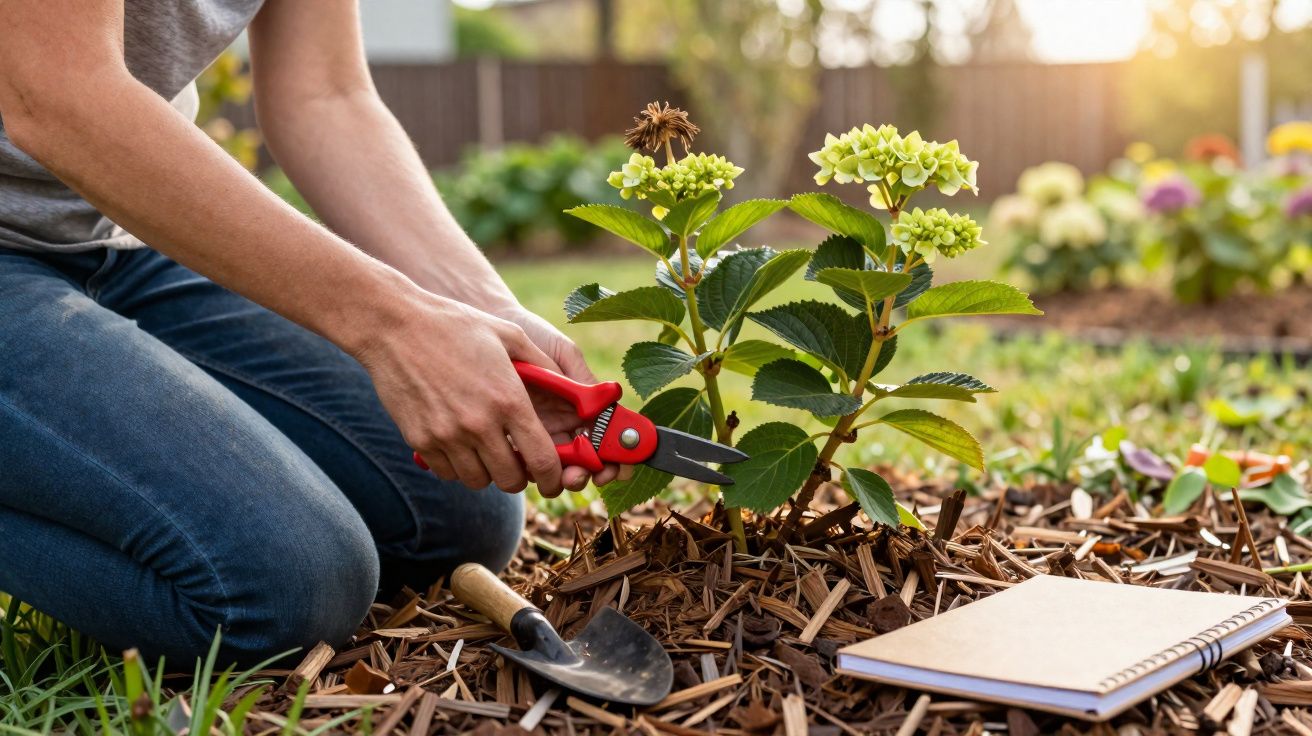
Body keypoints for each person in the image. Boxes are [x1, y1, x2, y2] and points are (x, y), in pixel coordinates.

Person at [0, 0, 619, 665]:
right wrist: (395, 327)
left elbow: (325, 95)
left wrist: (484, 312)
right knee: (284, 587)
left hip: (122, 235)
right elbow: (58, 93)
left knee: (456, 513)